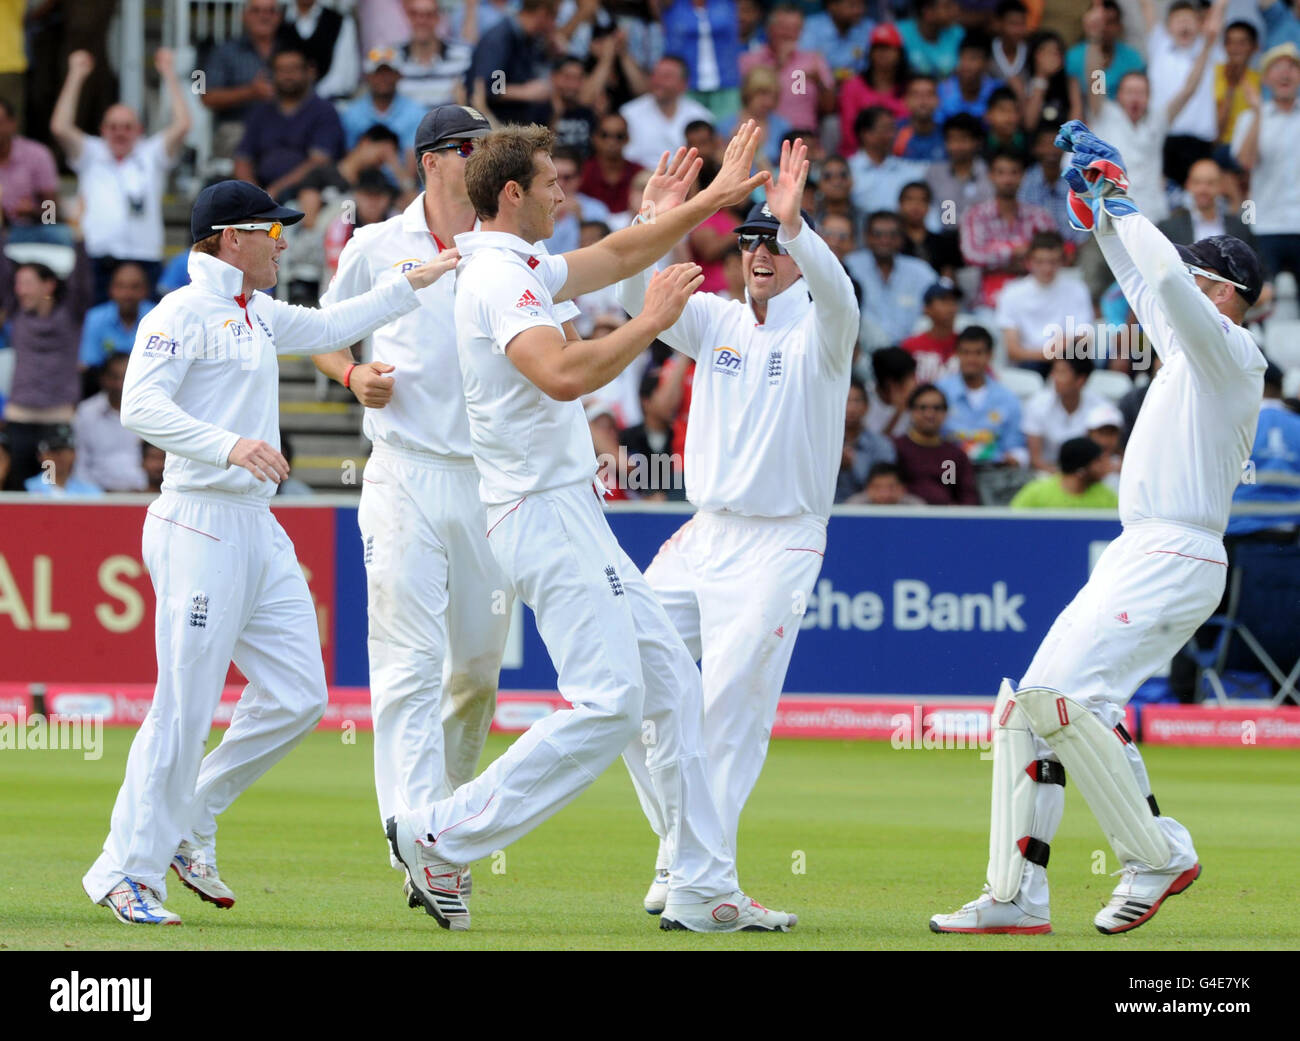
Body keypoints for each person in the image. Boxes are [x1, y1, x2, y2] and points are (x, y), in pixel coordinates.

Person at [387, 123, 797, 934]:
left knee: (673, 687)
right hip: (539, 510)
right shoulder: (501, 278)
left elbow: (613, 255)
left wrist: (710, 201)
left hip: (561, 505)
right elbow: (563, 372)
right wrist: (649, 322)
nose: (562, 194)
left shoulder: (513, 260)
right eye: (550, 183)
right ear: (513, 193)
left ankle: (701, 886)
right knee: (612, 702)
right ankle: (439, 834)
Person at [81, 180, 456, 926]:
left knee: (298, 694)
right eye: (271, 232)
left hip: (256, 522)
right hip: (197, 520)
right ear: (229, 238)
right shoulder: (183, 312)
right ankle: (125, 870)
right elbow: (139, 406)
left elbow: (331, 326)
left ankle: (192, 813)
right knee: (183, 708)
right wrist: (230, 444)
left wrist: (415, 280)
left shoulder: (255, 314)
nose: (284, 243)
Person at [931, 120, 1265, 936]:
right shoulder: (1189, 343)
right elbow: (1152, 286)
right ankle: (1016, 895)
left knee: (1061, 698)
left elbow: (1166, 284)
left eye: (1198, 280)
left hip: (1178, 549)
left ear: (1227, 295)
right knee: (1026, 710)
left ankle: (1156, 850)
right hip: (1141, 547)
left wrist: (1124, 202)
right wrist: (1105, 216)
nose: (1183, 287)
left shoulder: (1233, 351)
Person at [313, 105, 583, 908]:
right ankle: (415, 842)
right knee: (405, 666)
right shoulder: (373, 245)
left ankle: (441, 831)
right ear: (436, 160)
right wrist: (351, 376)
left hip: (488, 481)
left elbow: (557, 353)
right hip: (400, 471)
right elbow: (322, 331)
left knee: (472, 674)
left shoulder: (512, 246)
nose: (487, 158)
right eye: (473, 147)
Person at [618, 140, 858, 900]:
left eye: (770, 241)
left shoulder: (822, 330)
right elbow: (632, 298)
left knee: (726, 712)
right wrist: (650, 219)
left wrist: (795, 228)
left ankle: (699, 877)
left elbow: (842, 295)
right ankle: (682, 852)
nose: (758, 250)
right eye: (748, 240)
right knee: (619, 675)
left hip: (780, 539)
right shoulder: (715, 320)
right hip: (704, 532)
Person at [50, 49, 191, 301]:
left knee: (149, 330)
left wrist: (169, 73)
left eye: (127, 127)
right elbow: (60, 127)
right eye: (113, 127)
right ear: (103, 130)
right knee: (96, 323)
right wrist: (76, 74)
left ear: (139, 130)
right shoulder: (90, 153)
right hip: (97, 257)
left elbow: (182, 125)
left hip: (144, 257)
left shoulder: (151, 155)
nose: (120, 133)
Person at [0, 239, 93, 490]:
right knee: (17, 488)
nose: (20, 290)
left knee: (55, 490)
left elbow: (82, 282)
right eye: (18, 284)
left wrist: (79, 237)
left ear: (48, 285)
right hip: (19, 417)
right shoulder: (16, 311)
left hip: (58, 419)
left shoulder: (71, 314)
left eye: (27, 284)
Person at [1231, 42, 1300, 295]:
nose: (1285, 73)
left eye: (1292, 67)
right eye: (1278, 67)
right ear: (1267, 78)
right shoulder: (1249, 118)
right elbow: (1246, 162)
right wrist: (1258, 113)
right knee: (1261, 302)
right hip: (1265, 225)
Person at [233, 47, 346, 200]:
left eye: (294, 69)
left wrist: (276, 189)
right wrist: (253, 192)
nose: (287, 76)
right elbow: (243, 158)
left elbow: (319, 162)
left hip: (305, 190)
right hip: (261, 187)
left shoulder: (324, 111)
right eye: (281, 70)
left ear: (309, 72)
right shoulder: (261, 111)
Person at [959, 149, 1056, 306]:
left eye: (1014, 173)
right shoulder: (974, 215)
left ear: (1023, 176)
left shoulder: (1040, 216)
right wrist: (1015, 251)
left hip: (1035, 300)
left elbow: (1051, 253)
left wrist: (994, 257)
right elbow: (972, 255)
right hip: (986, 303)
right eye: (1001, 173)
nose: (1008, 179)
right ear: (991, 175)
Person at [996, 230, 1095, 372]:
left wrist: (1062, 351)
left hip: (1067, 360)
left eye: (1053, 261)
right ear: (1029, 261)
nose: (1047, 268)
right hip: (1029, 365)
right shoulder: (1011, 293)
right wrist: (1047, 355)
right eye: (1040, 262)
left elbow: (1084, 339)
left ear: (1062, 261)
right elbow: (1013, 350)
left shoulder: (1077, 289)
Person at [938, 323, 1028, 467]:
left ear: (990, 355)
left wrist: (1014, 458)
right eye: (966, 352)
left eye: (978, 353)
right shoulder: (939, 392)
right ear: (957, 354)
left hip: (993, 471)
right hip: (948, 469)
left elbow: (1015, 446)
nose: (971, 359)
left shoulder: (1008, 399)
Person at [200, 0, 281, 158]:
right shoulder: (223, 52)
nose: (264, 16)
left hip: (284, 127)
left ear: (279, 16)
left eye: (270, 11)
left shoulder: (290, 50)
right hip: (238, 128)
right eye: (256, 11)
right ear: (245, 15)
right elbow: (206, 96)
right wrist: (251, 92)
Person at [845, 209, 938, 346]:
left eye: (892, 235)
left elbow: (943, 302)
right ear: (866, 237)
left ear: (901, 238)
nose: (885, 240)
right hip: (863, 352)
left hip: (910, 353)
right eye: (878, 234)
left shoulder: (920, 271)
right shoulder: (850, 266)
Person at [467, 0, 557, 126]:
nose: (555, 24)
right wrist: (525, 92)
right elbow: (484, 87)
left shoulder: (529, 38)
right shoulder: (500, 39)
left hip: (519, 126)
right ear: (542, 14)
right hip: (495, 129)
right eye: (554, 17)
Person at [621, 57, 715, 170]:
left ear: (683, 84)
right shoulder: (628, 113)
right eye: (655, 75)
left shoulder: (701, 115)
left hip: (688, 180)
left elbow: (709, 157)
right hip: (642, 180)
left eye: (666, 76)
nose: (658, 81)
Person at [893, 382, 978, 505]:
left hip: (946, 520)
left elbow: (966, 496)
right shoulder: (895, 448)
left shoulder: (954, 456)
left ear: (945, 413)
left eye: (937, 408)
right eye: (923, 408)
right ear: (911, 411)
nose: (930, 414)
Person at [72, 352, 147, 492]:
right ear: (103, 379)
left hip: (144, 495)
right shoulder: (86, 413)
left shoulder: (150, 411)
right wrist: (93, 495)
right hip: (97, 497)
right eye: (114, 377)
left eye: (126, 378)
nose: (120, 385)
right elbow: (79, 464)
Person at [341, 49, 427, 170]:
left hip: (399, 185)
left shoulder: (416, 113)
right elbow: (347, 164)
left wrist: (387, 155)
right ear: (368, 77)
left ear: (398, 75)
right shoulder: (351, 114)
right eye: (378, 73)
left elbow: (412, 172)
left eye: (388, 73)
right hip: (362, 184)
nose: (383, 78)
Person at [1023, 356, 1107, 472]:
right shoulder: (1037, 404)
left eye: (1061, 372)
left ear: (1080, 380)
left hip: (1085, 475)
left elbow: (1102, 454)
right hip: (1045, 473)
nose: (1054, 377)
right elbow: (1036, 459)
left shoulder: (1099, 408)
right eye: (1054, 371)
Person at [1158, 156, 1254, 248]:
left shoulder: (1240, 229)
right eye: (1197, 182)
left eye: (1210, 183)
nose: (1203, 189)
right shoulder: (1168, 229)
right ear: (1188, 185)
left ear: (1221, 186)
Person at [395, 0, 473, 109]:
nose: (421, 20)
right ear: (407, 16)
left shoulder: (462, 56)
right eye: (415, 14)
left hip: (449, 124)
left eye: (429, 15)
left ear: (438, 17)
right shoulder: (392, 58)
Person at [277, 0, 361, 101]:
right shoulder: (276, 16)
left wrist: (312, 96)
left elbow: (346, 77)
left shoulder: (340, 21)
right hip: (283, 103)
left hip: (329, 102)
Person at [78, 262, 155, 371]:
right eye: (121, 286)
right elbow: (89, 365)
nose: (127, 294)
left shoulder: (160, 317)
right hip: (103, 384)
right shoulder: (93, 318)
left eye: (135, 287)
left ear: (146, 290)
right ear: (111, 289)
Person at [0, 97, 59, 234]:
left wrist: (34, 211)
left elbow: (50, 216)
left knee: (59, 234)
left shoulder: (37, 155)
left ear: (12, 124)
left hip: (29, 231)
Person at [1009, 435, 1119, 508]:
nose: (1107, 466)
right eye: (1098, 461)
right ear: (1081, 470)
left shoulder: (1107, 496)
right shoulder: (1036, 493)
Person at [838, 377, 897, 502]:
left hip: (867, 511)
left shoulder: (882, 445)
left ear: (867, 407)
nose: (851, 408)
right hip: (823, 512)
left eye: (857, 401)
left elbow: (885, 488)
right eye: (846, 400)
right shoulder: (821, 444)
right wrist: (834, 463)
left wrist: (853, 466)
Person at [580, 112, 643, 214]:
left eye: (619, 136)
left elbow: (650, 219)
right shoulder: (582, 172)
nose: (611, 142)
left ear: (627, 139)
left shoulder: (639, 172)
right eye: (605, 135)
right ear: (594, 137)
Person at [902, 279, 961, 383]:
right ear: (926, 308)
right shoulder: (910, 346)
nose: (951, 307)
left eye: (954, 300)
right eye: (944, 300)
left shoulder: (968, 344)